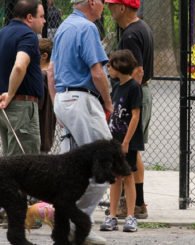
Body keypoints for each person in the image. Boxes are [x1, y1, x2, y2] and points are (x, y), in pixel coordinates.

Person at [47, 0, 114, 244]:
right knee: (106, 163)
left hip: (64, 99)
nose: (104, 7)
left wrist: (57, 104)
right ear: (93, 2)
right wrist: (108, 102)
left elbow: (52, 71)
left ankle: (68, 224)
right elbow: (97, 72)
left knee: (71, 170)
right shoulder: (87, 28)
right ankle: (78, 221)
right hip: (82, 100)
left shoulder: (64, 26)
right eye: (103, 2)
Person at [102, 0, 154, 220]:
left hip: (134, 96)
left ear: (122, 8)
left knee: (128, 150)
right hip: (142, 93)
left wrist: (123, 95)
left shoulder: (131, 35)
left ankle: (129, 203)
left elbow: (137, 71)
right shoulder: (142, 27)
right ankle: (138, 202)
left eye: (112, 5)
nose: (109, 9)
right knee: (134, 150)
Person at [100, 49, 143, 232]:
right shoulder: (117, 87)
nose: (109, 68)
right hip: (114, 140)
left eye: (111, 65)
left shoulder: (134, 87)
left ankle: (131, 216)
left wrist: (126, 142)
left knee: (127, 176)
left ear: (120, 66)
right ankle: (112, 215)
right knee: (114, 178)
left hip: (127, 142)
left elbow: (135, 116)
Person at [0, 0, 45, 156]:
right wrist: (10, 94)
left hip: (5, 109)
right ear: (29, 17)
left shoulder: (2, 33)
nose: (44, 21)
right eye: (41, 16)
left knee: (8, 165)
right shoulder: (28, 35)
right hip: (21, 108)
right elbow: (20, 66)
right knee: (25, 167)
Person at [38, 38, 56, 153]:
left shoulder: (41, 75)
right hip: (48, 130)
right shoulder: (53, 74)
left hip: (40, 125)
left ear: (44, 56)